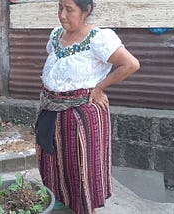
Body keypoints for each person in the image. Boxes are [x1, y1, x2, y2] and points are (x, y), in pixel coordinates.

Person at [35, 0, 140, 214]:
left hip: (80, 114)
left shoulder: (99, 39)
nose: (62, 15)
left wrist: (100, 88)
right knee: (52, 160)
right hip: (50, 109)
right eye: (60, 8)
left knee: (80, 167)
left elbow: (130, 64)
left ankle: (85, 209)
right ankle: (59, 200)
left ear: (86, 11)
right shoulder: (56, 35)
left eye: (69, 10)